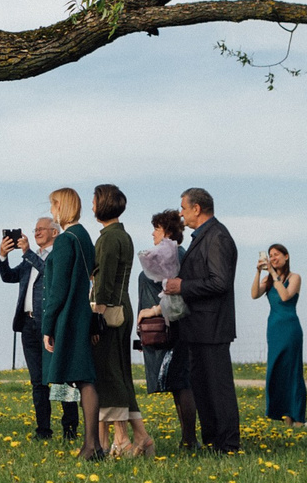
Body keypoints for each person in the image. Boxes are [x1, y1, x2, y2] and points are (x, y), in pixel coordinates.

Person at [162, 186, 240, 454]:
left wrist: (182, 286)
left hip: (212, 327)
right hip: (197, 327)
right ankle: (213, 441)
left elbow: (220, 282)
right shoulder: (202, 237)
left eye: (184, 208)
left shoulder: (217, 237)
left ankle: (227, 444)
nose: (181, 214)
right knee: (203, 387)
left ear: (197, 208)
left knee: (218, 388)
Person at [88, 184, 151, 457]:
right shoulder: (122, 235)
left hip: (109, 310)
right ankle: (138, 437)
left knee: (109, 373)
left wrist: (96, 316)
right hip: (122, 306)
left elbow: (104, 280)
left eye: (94, 201)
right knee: (121, 373)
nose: (91, 206)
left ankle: (122, 440)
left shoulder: (109, 238)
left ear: (103, 204)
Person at [37, 186, 100, 461]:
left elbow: (58, 289)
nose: (51, 211)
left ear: (61, 206)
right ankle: (92, 445)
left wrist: (47, 326)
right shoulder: (84, 236)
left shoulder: (65, 240)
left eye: (53, 205)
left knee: (84, 379)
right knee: (84, 378)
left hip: (69, 318)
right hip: (82, 314)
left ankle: (91, 446)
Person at [0, 218, 67, 439]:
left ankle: (70, 428)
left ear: (54, 232)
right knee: (38, 381)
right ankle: (43, 430)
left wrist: (27, 252)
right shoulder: (30, 259)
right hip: (28, 324)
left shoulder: (58, 255)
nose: (36, 233)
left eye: (41, 229)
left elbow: (50, 274)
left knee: (62, 378)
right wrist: (3, 256)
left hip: (50, 325)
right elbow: (9, 277)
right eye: (35, 229)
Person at [136, 209, 196, 451]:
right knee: (179, 383)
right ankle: (188, 439)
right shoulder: (174, 253)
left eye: (157, 229)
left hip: (172, 328)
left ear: (167, 232)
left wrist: (152, 311)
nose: (153, 233)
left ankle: (190, 439)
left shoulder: (170, 254)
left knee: (181, 382)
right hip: (173, 327)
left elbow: (175, 295)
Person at [251, 241, 307, 426]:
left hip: (290, 328)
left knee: (292, 371)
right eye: (270, 255)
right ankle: (284, 415)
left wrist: (273, 274)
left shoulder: (294, 277)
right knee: (276, 370)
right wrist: (258, 272)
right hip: (274, 328)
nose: (273, 258)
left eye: (276, 254)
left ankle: (297, 417)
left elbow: (285, 296)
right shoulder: (268, 280)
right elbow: (254, 294)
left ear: (286, 256)